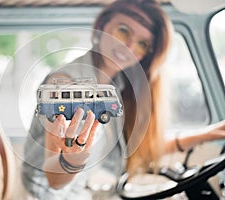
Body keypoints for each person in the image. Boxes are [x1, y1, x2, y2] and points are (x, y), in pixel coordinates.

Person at [21, 0, 225, 199]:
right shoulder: (65, 83)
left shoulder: (116, 85)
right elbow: (53, 180)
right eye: (123, 31)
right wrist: (71, 158)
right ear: (102, 26)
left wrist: (209, 134)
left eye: (142, 43)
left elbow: (135, 148)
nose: (129, 46)